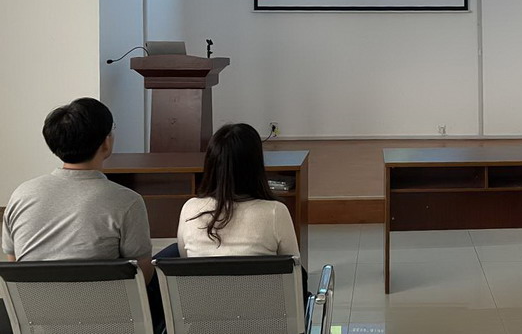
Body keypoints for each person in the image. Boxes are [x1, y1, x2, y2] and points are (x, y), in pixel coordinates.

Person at [1, 98, 156, 331]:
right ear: (106, 143)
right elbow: (141, 275)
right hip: (106, 320)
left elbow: (13, 263)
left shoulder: (21, 194)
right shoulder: (127, 201)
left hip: (36, 319)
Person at [177, 123, 299, 258]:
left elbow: (183, 258)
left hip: (201, 274)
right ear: (256, 167)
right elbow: (293, 266)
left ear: (211, 165)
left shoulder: (190, 209)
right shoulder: (275, 212)